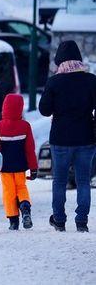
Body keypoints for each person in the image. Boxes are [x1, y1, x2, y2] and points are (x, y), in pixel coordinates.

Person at [39, 40, 96, 233]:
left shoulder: (54, 81)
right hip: (86, 138)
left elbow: (44, 110)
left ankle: (59, 219)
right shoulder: (91, 80)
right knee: (83, 181)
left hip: (61, 139)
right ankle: (82, 221)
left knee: (60, 181)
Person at [0, 94, 38, 230]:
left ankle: (13, 220)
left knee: (8, 191)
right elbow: (30, 149)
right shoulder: (25, 126)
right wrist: (33, 168)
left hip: (4, 167)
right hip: (20, 166)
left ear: (4, 108)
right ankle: (25, 207)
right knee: (21, 187)